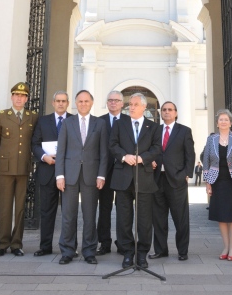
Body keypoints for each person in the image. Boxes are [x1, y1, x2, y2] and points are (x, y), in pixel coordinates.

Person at [109, 93, 161, 269]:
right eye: (129, 104)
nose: (131, 107)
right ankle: (127, 252)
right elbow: (113, 145)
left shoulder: (153, 127)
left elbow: (156, 149)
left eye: (135, 104)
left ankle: (142, 253)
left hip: (144, 178)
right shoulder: (119, 124)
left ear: (144, 107)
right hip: (122, 177)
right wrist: (124, 156)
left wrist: (141, 158)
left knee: (144, 219)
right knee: (124, 218)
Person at [55, 90, 107, 265]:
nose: (83, 104)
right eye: (80, 101)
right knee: (68, 216)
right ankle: (67, 251)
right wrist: (59, 175)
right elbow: (60, 151)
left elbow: (104, 152)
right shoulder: (67, 123)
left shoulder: (99, 124)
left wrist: (101, 175)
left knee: (90, 216)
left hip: (91, 176)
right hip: (69, 176)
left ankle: (89, 251)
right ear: (75, 103)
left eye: (86, 101)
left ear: (92, 103)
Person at [0, 82, 38, 256]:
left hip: (23, 167)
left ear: (26, 99)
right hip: (5, 167)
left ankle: (16, 244)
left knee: (19, 207)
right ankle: (1, 244)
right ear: (12, 97)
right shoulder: (1, 116)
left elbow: (33, 141)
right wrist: (5, 158)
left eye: (23, 96)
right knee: (4, 207)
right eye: (16, 95)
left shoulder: (33, 116)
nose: (19, 98)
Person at [150, 101, 195, 261]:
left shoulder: (184, 131)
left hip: (176, 180)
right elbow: (149, 150)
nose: (167, 112)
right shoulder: (155, 130)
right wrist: (150, 161)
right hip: (157, 180)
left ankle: (182, 251)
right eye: (164, 110)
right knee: (158, 219)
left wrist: (186, 174)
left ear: (175, 113)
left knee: (180, 218)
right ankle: (161, 250)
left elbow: (190, 155)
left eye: (170, 110)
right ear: (161, 113)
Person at [31, 91, 71, 256]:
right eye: (58, 101)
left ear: (67, 103)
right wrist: (43, 156)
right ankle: (45, 246)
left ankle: (69, 247)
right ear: (53, 103)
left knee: (69, 213)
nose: (61, 104)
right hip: (47, 171)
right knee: (47, 211)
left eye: (64, 101)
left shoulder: (74, 120)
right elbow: (34, 144)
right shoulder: (42, 121)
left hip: (69, 173)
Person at [203, 109, 232, 261]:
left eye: (226, 119)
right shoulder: (211, 139)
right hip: (217, 182)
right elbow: (206, 160)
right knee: (221, 216)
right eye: (221, 119)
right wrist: (207, 182)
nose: (223, 122)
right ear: (217, 123)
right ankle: (226, 247)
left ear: (231, 122)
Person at [97, 90, 127, 256]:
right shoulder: (99, 121)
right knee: (104, 208)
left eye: (116, 100)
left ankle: (123, 243)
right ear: (107, 103)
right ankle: (104, 242)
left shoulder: (128, 121)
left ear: (122, 103)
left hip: (123, 171)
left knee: (123, 209)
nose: (113, 103)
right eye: (110, 100)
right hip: (105, 172)